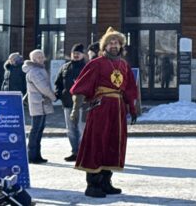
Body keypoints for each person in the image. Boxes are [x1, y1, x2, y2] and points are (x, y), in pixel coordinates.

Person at [70, 27, 139, 198]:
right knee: (97, 143)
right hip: (100, 109)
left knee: (113, 144)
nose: (114, 45)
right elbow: (81, 86)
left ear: (121, 45)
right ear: (104, 46)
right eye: (110, 43)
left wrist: (132, 108)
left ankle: (105, 182)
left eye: (116, 43)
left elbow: (130, 89)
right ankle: (92, 185)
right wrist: (75, 109)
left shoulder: (124, 65)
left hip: (118, 110)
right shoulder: (96, 63)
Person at [54, 43, 88, 162]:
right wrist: (59, 94)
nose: (76, 55)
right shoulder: (65, 67)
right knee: (70, 129)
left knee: (81, 129)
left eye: (78, 53)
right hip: (67, 103)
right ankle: (75, 152)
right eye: (74, 53)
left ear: (83, 54)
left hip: (82, 104)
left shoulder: (87, 67)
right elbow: (58, 83)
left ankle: (83, 152)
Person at [22, 49, 56, 164]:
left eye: (42, 56)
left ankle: (37, 155)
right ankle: (32, 155)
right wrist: (54, 97)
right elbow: (44, 88)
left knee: (39, 130)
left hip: (41, 103)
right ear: (33, 59)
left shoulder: (39, 69)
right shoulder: (35, 71)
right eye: (39, 57)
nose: (42, 58)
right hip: (38, 103)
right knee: (36, 129)